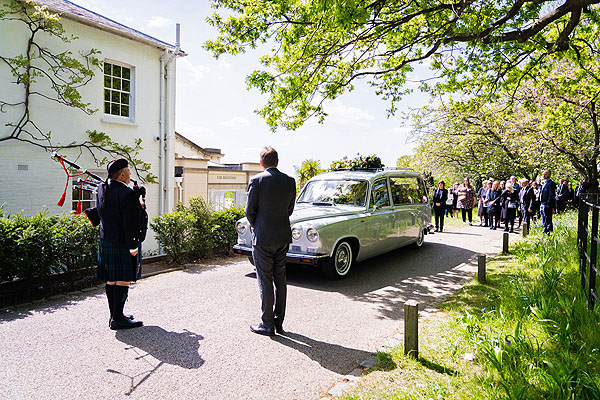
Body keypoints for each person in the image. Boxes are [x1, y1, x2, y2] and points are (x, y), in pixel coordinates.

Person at [245, 147, 296, 336]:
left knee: (265, 279)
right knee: (280, 279)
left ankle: (267, 324)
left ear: (261, 163)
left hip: (263, 237)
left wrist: (256, 225)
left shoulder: (256, 181)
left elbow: (249, 211)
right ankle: (279, 322)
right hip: (283, 235)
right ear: (277, 161)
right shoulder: (290, 181)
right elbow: (289, 209)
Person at [97, 159, 147, 330]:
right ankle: (118, 319)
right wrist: (133, 246)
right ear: (123, 174)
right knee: (123, 280)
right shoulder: (127, 194)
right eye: (129, 173)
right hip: (123, 243)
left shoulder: (101, 189)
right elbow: (131, 222)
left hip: (107, 240)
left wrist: (135, 195)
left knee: (111, 281)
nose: (130, 176)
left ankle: (115, 316)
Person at [540, 170, 557, 235]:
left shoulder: (551, 183)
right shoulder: (544, 183)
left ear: (549, 175)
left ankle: (548, 233)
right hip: (542, 203)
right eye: (543, 174)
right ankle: (544, 232)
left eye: (546, 174)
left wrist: (548, 204)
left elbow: (551, 195)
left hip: (546, 204)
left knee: (548, 219)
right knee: (543, 220)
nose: (544, 175)